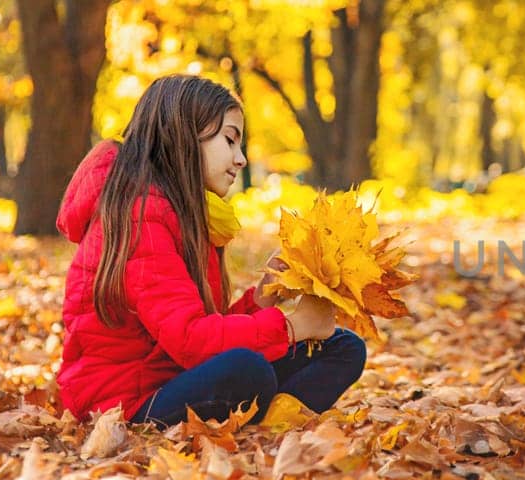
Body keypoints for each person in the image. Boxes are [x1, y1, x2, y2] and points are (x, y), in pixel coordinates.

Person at [54, 74, 365, 428]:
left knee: (343, 348)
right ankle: (257, 418)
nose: (241, 159)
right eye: (230, 140)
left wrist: (264, 296)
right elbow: (191, 341)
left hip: (172, 374)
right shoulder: (140, 217)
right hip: (125, 400)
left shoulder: (185, 213)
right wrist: (293, 327)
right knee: (247, 371)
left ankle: (268, 420)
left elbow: (198, 329)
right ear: (183, 136)